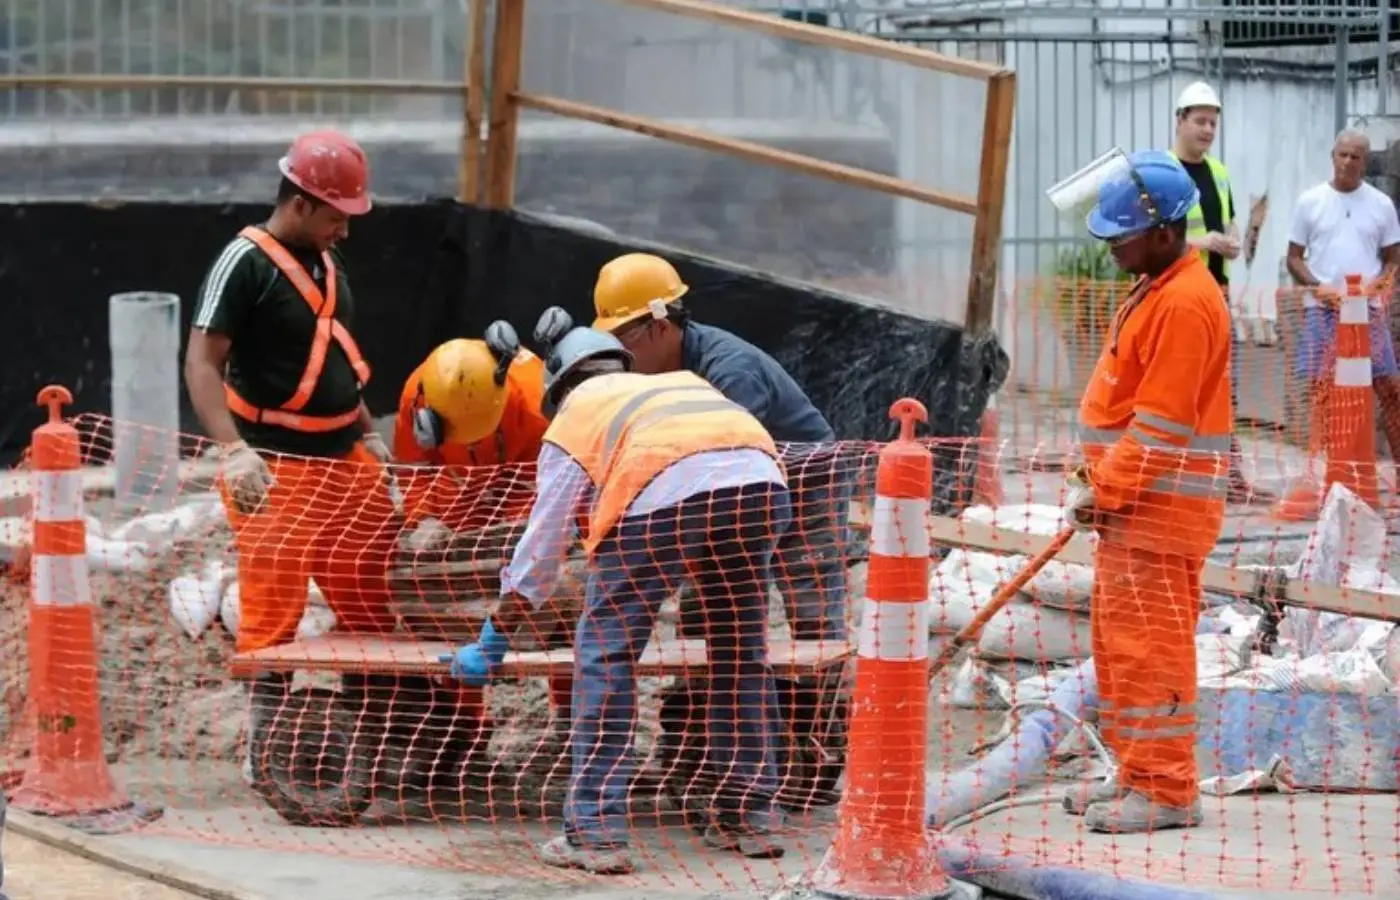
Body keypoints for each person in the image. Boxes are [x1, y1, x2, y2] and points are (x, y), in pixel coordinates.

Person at [444, 307, 791, 873]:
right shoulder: (677, 384)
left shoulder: (577, 417)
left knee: (606, 657)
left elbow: (542, 547)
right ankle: (748, 815)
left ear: (562, 387)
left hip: (660, 498)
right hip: (760, 486)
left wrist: (492, 639)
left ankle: (595, 832)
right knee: (741, 653)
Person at [184, 131, 447, 786]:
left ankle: (375, 739)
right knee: (274, 611)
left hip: (342, 459)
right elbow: (201, 361)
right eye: (338, 215)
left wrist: (368, 435)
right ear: (301, 203)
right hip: (274, 466)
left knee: (370, 598)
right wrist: (234, 451)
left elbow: (331, 361)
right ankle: (269, 754)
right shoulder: (243, 263)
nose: (345, 230)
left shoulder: (326, 264)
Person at [1062, 149, 1231, 833]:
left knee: (1151, 651)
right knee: (1120, 648)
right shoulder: (1158, 288)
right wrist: (1095, 483)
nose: (1109, 246)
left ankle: (1166, 790)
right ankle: (1136, 770)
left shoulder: (1187, 304)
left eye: (1120, 234)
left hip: (1159, 512)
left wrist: (1100, 488)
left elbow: (1160, 428)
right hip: (1134, 510)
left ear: (1163, 232)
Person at [590, 252, 847, 642]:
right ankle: (695, 698)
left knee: (810, 599)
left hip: (805, 478)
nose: (620, 354)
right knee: (707, 600)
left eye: (624, 338)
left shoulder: (730, 370)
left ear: (660, 325)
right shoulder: (658, 372)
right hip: (735, 483)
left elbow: (723, 460)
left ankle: (825, 700)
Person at [1168, 81, 1274, 505]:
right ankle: (1182, 470)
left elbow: (1226, 222)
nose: (1208, 130)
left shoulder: (1219, 172)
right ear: (1180, 121)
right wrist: (1203, 243)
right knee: (1183, 381)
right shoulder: (1166, 173)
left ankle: (1226, 472)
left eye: (1213, 123)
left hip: (1217, 290)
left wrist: (1228, 239)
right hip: (1179, 293)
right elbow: (1158, 237)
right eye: (1200, 121)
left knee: (1221, 382)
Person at [1287, 128, 1400, 463]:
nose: (1347, 162)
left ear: (1365, 162)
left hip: (1369, 312)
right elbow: (1293, 257)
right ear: (1332, 157)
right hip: (1323, 309)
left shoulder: (1381, 205)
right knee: (1320, 391)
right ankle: (1319, 470)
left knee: (1389, 388)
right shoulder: (1310, 202)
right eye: (1343, 154)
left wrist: (1381, 284)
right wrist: (1316, 286)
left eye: (1356, 156)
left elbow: (1393, 257)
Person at [392, 322, 549, 548]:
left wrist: (521, 527)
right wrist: (422, 517)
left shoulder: (535, 403)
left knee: (523, 536)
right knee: (452, 529)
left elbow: (536, 479)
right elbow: (413, 468)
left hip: (518, 470)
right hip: (456, 478)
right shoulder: (415, 399)